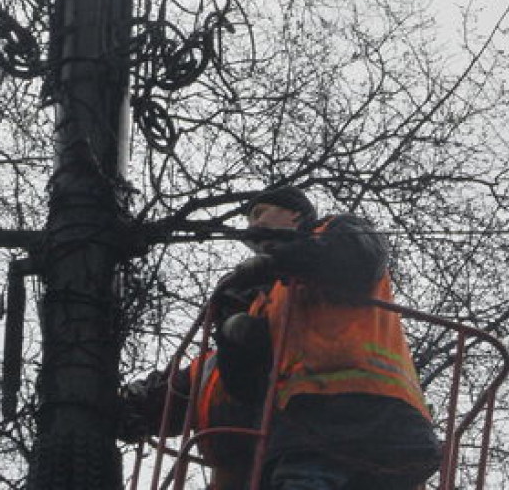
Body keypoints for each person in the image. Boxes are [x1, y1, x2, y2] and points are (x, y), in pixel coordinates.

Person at [119, 185, 441, 490]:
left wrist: (278, 260)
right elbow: (246, 387)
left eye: (260, 212)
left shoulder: (336, 232)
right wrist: (235, 336)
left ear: (296, 215)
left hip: (364, 415)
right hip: (310, 428)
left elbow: (356, 256)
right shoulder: (271, 304)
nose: (252, 225)